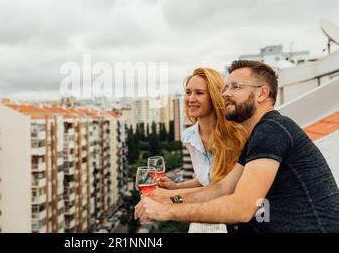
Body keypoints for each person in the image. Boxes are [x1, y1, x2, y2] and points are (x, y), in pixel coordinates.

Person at [135, 60, 339, 232]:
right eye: (226, 87)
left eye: (236, 87)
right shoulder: (259, 134)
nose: (225, 94)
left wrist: (168, 211)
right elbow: (222, 187)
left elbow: (242, 207)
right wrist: (168, 198)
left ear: (261, 94)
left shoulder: (273, 130)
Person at [158, 68, 248, 193]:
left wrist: (173, 195)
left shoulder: (238, 135)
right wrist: (176, 187)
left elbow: (225, 189)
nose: (191, 99)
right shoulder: (189, 137)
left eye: (199, 93)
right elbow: (205, 179)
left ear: (214, 97)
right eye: (188, 92)